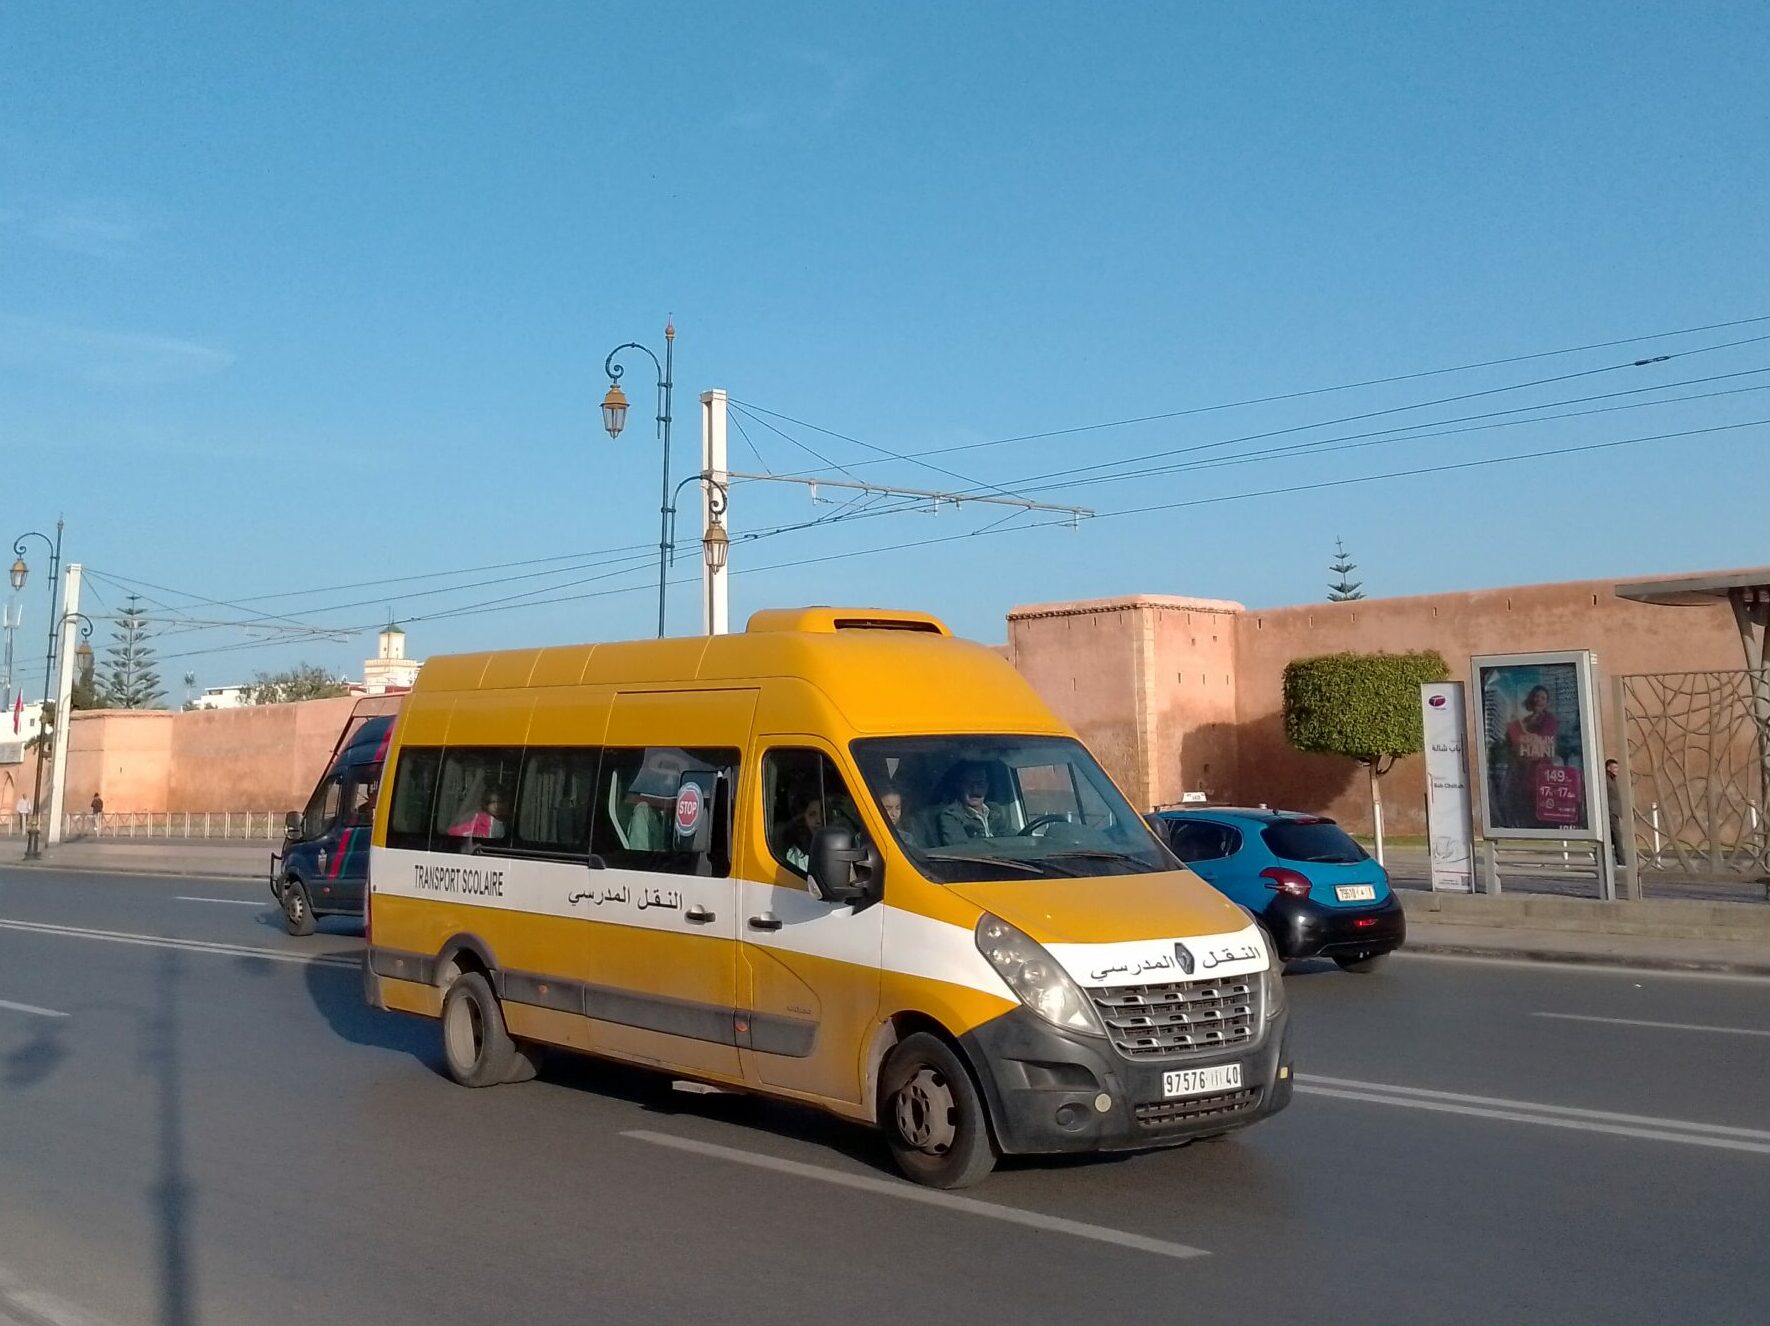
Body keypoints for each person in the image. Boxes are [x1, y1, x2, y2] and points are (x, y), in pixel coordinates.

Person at [1504, 685, 1559, 827]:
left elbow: (1542, 739)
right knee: (1522, 806)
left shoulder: (1549, 719)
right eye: (1537, 697)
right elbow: (1513, 742)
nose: (1539, 700)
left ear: (1547, 702)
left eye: (1543, 698)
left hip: (1541, 771)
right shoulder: (1525, 720)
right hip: (1522, 772)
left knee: (1539, 806)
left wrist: (1522, 736)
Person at [937, 764, 999, 845]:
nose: (974, 790)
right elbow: (960, 849)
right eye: (968, 784)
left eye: (980, 784)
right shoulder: (951, 815)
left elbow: (1011, 838)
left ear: (987, 786)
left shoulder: (995, 811)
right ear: (959, 786)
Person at [1605, 758, 1625, 865]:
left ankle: (1608, 859)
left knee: (1612, 837)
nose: (1617, 770)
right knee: (1617, 837)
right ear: (1608, 768)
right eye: (1615, 767)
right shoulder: (1606, 780)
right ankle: (1622, 861)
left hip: (1614, 812)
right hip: (1610, 812)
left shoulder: (1613, 779)